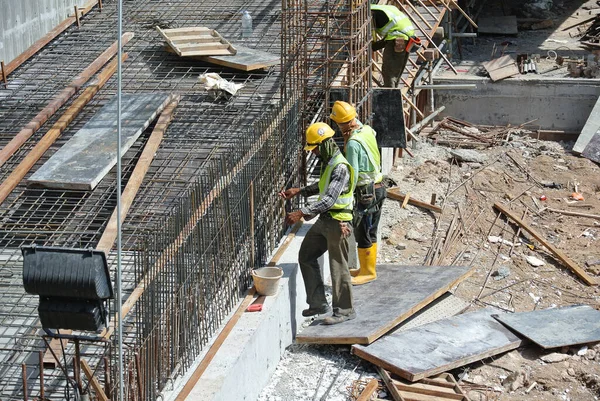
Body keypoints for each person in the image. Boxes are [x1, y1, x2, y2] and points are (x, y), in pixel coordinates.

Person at [279, 122, 357, 325]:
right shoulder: (329, 163)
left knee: (338, 267)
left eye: (314, 148)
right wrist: (300, 191)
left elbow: (329, 199)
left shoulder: (340, 167)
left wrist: (302, 212)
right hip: (325, 221)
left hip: (338, 223)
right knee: (306, 255)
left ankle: (345, 311)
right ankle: (318, 303)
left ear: (324, 144)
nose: (313, 152)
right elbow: (322, 186)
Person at [330, 101, 385, 285]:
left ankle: (368, 272)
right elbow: (372, 135)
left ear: (341, 123)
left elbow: (351, 173)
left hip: (366, 192)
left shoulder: (353, 143)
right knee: (372, 229)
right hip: (378, 186)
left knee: (362, 231)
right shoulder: (366, 130)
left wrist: (344, 198)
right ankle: (367, 268)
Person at [370, 4, 419, 88]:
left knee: (389, 70)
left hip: (399, 40)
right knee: (396, 70)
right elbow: (388, 38)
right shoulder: (386, 9)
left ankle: (389, 93)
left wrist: (372, 45)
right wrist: (374, 47)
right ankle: (392, 91)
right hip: (405, 39)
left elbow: (373, 33)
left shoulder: (373, 14)